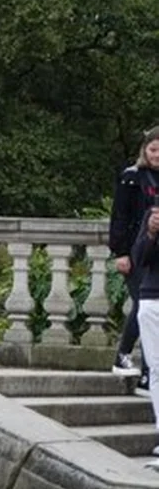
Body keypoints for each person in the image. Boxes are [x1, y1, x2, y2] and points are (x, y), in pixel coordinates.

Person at [108, 127, 159, 391]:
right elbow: (120, 216)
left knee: (151, 312)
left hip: (154, 254)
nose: (157, 155)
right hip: (134, 250)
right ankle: (123, 354)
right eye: (153, 149)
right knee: (143, 303)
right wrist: (120, 252)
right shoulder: (132, 177)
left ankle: (149, 373)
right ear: (144, 150)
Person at [126, 202, 159, 469]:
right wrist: (150, 234)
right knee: (158, 371)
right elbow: (139, 259)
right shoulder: (153, 214)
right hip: (152, 301)